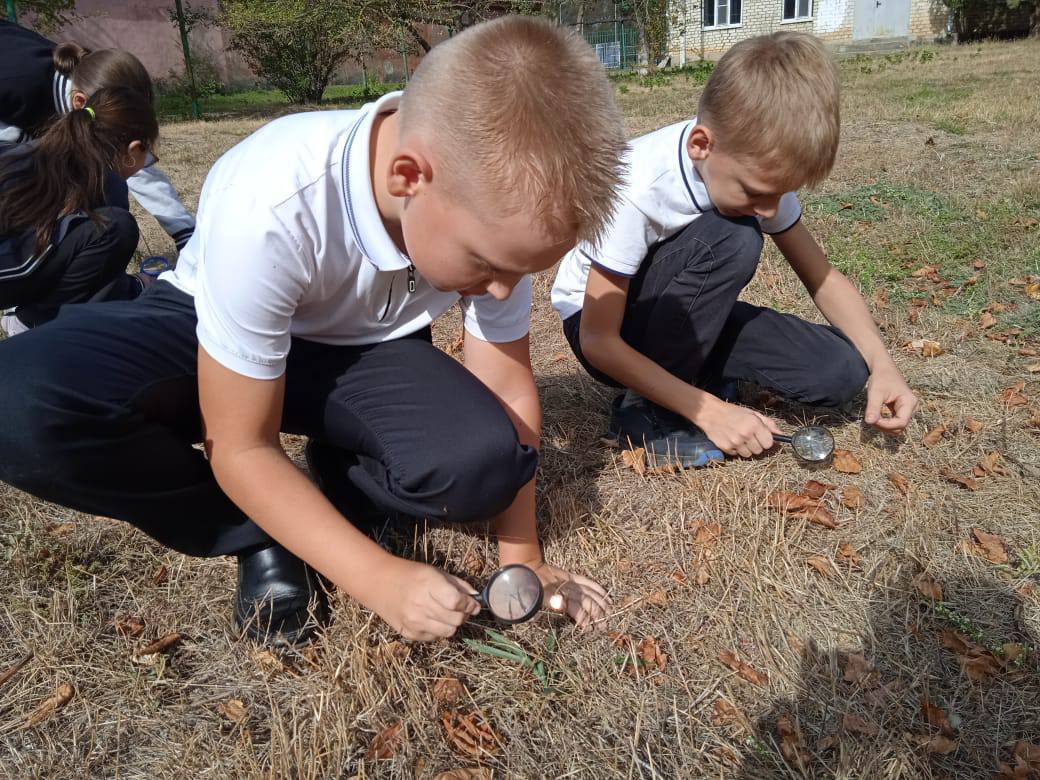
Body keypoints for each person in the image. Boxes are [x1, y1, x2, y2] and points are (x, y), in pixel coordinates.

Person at [0, 17, 627, 646]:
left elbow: (506, 385)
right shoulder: (272, 199)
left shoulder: (490, 210)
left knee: (483, 464)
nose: (502, 289)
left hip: (367, 348)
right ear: (409, 177)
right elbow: (240, 441)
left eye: (518, 272)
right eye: (489, 265)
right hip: (206, 327)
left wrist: (522, 557)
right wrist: (377, 578)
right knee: (19, 404)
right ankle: (263, 530)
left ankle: (336, 470)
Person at [551, 31, 919, 467]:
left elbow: (823, 278)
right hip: (602, 326)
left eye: (781, 193)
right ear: (701, 145)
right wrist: (710, 412)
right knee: (735, 235)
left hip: (686, 318)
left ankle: (690, 374)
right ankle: (645, 413)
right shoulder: (637, 184)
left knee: (840, 370)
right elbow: (598, 341)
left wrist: (883, 364)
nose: (769, 208)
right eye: (758, 192)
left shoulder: (756, 176)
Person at [0, 20, 195, 253]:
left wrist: (186, 235)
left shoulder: (87, 83)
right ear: (80, 102)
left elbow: (134, 161)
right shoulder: (18, 90)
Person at [0, 88, 159, 335]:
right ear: (133, 149)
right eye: (148, 157)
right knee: (116, 227)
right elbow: (100, 283)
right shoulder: (105, 182)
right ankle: (31, 320)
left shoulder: (40, 152)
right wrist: (138, 286)